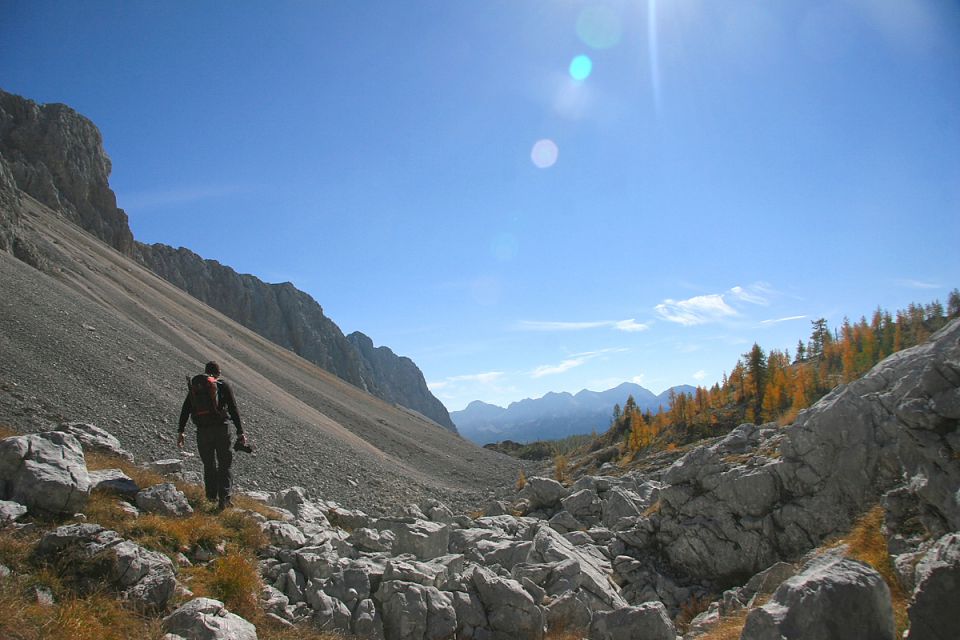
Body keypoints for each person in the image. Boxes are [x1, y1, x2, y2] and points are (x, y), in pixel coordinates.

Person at [177, 361, 248, 510]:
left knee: (209, 465)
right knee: (225, 464)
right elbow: (234, 409)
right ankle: (225, 499)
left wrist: (181, 431)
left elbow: (186, 409)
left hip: (203, 432)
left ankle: (210, 498)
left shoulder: (196, 388)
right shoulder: (222, 386)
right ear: (217, 373)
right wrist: (240, 432)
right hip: (222, 430)